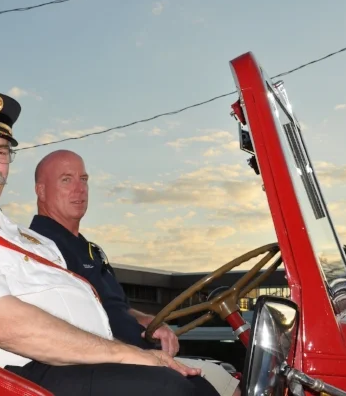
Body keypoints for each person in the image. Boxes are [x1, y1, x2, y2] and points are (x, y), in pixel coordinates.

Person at [0, 90, 220, 396]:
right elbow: (2, 326)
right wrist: (128, 354)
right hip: (13, 376)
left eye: (1, 152)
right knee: (170, 389)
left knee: (195, 386)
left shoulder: (22, 237)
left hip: (71, 364)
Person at [29, 149, 241, 396]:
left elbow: (117, 306)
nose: (80, 189)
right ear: (41, 190)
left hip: (140, 354)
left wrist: (146, 320)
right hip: (106, 363)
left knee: (230, 382)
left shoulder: (89, 250)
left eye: (83, 180)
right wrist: (134, 355)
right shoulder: (40, 248)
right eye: (66, 180)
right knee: (194, 387)